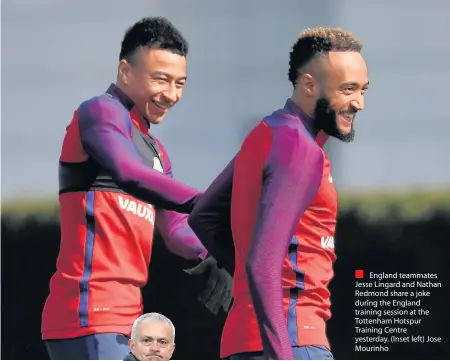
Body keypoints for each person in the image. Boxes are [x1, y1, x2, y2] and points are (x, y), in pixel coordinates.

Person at [42, 17, 232, 360]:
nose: (171, 94)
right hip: (88, 312)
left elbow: (175, 230)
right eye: (161, 79)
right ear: (125, 72)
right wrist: (208, 201)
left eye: (180, 83)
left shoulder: (158, 153)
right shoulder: (99, 111)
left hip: (129, 321)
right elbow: (128, 172)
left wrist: (212, 254)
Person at [188, 27, 369, 360]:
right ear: (309, 84)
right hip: (292, 342)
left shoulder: (269, 133)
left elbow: (203, 216)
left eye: (362, 90)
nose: (358, 102)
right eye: (347, 89)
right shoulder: (300, 150)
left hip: (244, 342)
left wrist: (244, 276)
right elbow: (262, 265)